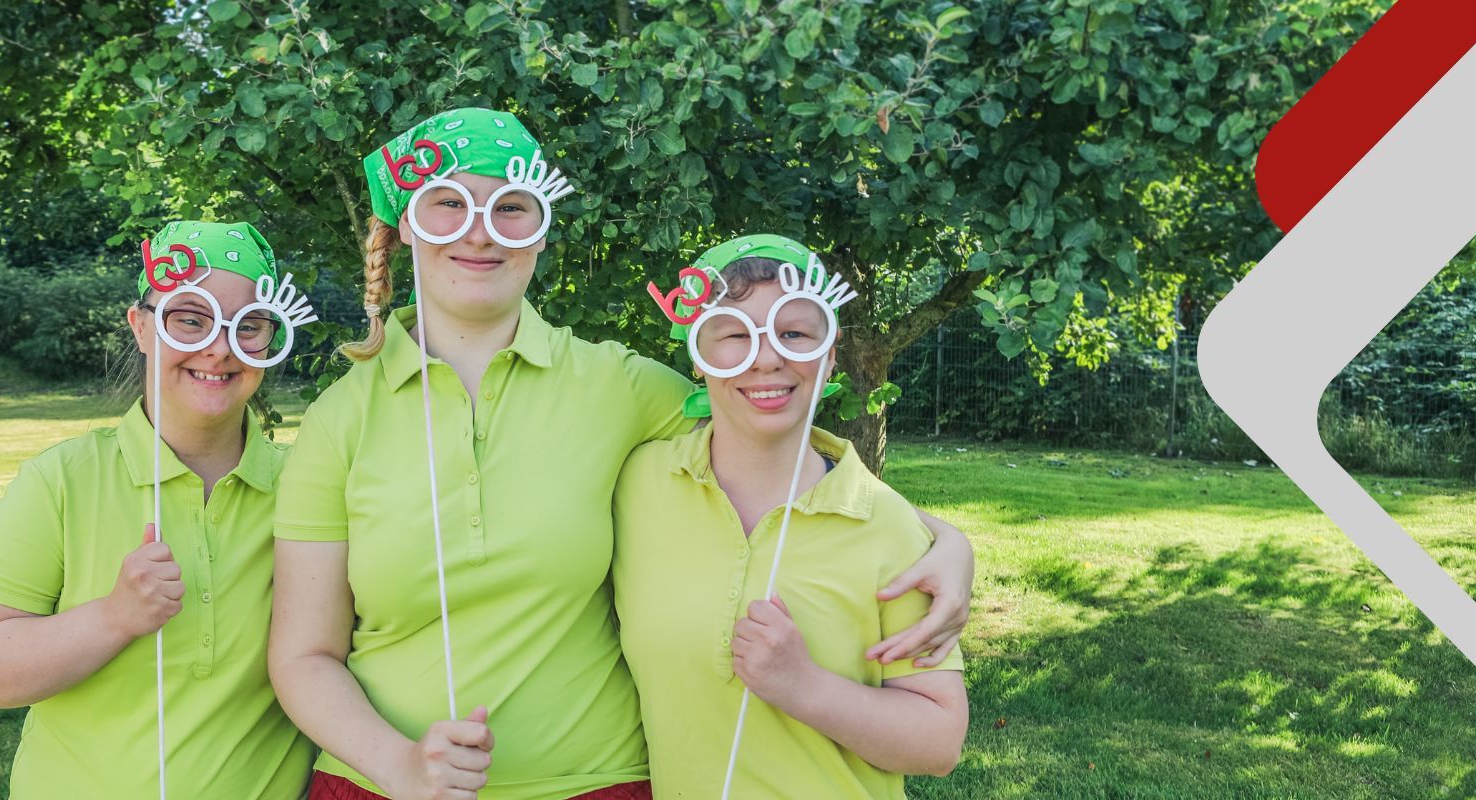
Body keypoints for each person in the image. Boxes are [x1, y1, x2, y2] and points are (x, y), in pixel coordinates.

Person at [268, 109, 974, 800]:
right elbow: (303, 656)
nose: (480, 233)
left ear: (541, 232)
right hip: (380, 785)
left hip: (595, 782)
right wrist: (398, 767)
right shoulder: (339, 421)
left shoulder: (621, 387)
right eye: (448, 205)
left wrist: (942, 540)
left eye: (511, 207)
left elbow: (766, 432)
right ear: (403, 231)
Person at [0, 221, 315, 799]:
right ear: (141, 327)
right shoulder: (61, 480)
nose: (218, 348)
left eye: (249, 325)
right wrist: (113, 617)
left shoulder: (309, 489)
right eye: (190, 319)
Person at [615, 235, 969, 799]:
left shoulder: (889, 527)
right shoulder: (637, 485)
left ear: (830, 354)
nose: (767, 358)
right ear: (698, 356)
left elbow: (940, 742)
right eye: (734, 335)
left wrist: (804, 687)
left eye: (794, 332)